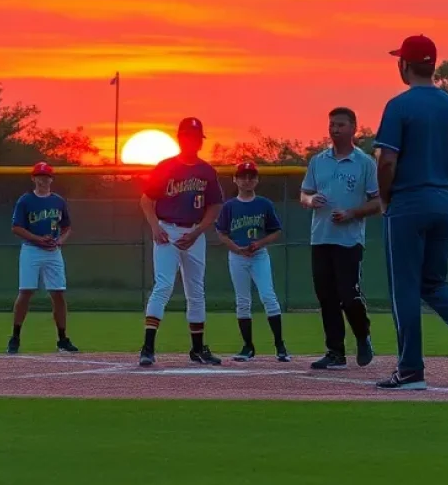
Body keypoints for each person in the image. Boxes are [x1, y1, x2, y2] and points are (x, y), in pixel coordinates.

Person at [373, 35, 448, 391]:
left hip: (408, 202)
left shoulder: (399, 106)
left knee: (405, 287)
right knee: (433, 281)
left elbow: (387, 161)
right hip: (443, 199)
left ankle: (410, 370)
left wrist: (384, 199)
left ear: (404, 65)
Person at [138, 117, 224, 367]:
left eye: (196, 137)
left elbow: (215, 205)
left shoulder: (206, 170)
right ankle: (148, 347)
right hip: (167, 230)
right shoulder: (165, 167)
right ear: (180, 138)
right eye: (188, 136)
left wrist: (198, 232)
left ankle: (197, 349)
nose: (192, 141)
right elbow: (146, 200)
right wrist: (155, 226)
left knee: (196, 291)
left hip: (194, 233)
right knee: (163, 286)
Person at [300, 107, 381, 370]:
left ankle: (362, 334)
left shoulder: (365, 163)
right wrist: (311, 200)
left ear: (353, 128)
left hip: (348, 240)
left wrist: (351, 213)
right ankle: (335, 352)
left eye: (341, 125)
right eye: (332, 125)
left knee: (349, 295)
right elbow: (304, 195)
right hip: (321, 238)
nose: (335, 129)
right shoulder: (318, 161)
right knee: (326, 297)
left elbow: (379, 201)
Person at [215, 161, 289, 362]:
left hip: (259, 256)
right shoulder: (230, 206)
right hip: (237, 257)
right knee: (243, 301)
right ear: (235, 179)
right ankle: (248, 347)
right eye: (243, 176)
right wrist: (235, 248)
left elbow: (276, 231)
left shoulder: (264, 204)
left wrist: (260, 243)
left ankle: (280, 346)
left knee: (268, 296)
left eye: (251, 176)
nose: (247, 180)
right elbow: (221, 233)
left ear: (257, 180)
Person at [7, 162, 79, 356]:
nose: (43, 179)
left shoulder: (58, 201)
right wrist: (38, 239)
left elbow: (66, 227)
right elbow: (16, 227)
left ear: (51, 179)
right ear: (33, 178)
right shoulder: (26, 200)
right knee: (26, 292)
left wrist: (60, 241)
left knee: (58, 293)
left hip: (53, 251)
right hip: (31, 250)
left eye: (46, 176)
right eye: (39, 176)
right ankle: (15, 337)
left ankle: (62, 339)